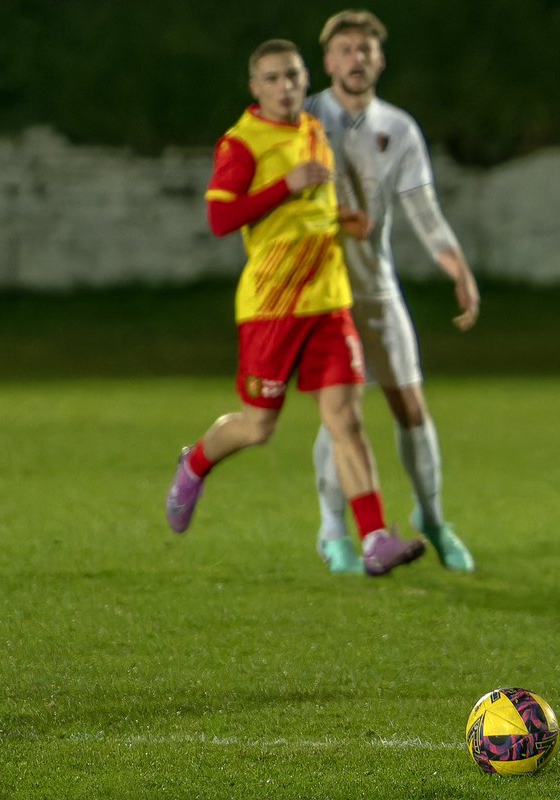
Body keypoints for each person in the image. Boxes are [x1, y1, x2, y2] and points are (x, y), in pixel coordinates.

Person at [164, 38, 426, 578]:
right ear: (255, 87)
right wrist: (285, 184)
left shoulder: (311, 131)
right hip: (271, 308)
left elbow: (311, 212)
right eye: (274, 78)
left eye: (294, 76)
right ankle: (195, 462)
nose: (286, 87)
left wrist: (342, 218)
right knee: (259, 428)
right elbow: (220, 220)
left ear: (306, 81)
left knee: (346, 421)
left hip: (328, 302)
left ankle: (375, 538)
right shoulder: (241, 144)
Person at [302, 9, 480, 575]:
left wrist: (456, 267)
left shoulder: (397, 128)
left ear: (380, 60)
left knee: (411, 406)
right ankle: (334, 534)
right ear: (328, 61)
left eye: (367, 50)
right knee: (341, 415)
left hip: (377, 291)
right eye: (347, 50)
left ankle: (431, 516)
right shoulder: (304, 121)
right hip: (321, 294)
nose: (358, 59)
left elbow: (422, 209)